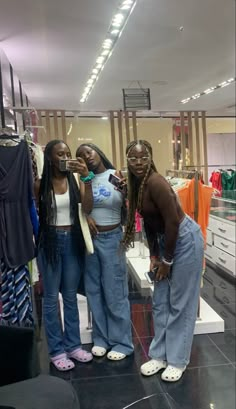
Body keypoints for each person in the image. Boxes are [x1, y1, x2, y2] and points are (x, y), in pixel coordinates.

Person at [123, 140, 204, 382]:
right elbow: (149, 222)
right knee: (160, 300)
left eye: (143, 157)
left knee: (180, 302)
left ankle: (178, 360)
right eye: (133, 158)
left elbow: (172, 223)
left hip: (184, 239)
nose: (139, 162)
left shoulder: (156, 183)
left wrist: (167, 260)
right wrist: (155, 256)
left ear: (150, 158)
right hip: (165, 240)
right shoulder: (136, 184)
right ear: (127, 160)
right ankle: (159, 355)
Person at [35, 139, 93, 371]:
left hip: (72, 241)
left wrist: (86, 177)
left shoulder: (75, 180)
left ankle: (74, 345)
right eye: (60, 154)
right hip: (49, 243)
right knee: (50, 300)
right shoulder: (39, 184)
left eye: (67, 153)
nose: (65, 157)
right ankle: (56, 351)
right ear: (49, 157)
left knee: (70, 296)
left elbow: (87, 207)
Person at [76, 143, 133, 361]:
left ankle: (122, 342)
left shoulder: (115, 174)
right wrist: (86, 180)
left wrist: (128, 191)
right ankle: (101, 339)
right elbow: (87, 208)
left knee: (115, 291)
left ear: (99, 152)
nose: (87, 157)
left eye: (89, 152)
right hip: (90, 241)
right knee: (94, 290)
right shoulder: (82, 180)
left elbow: (127, 203)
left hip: (112, 238)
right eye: (81, 156)